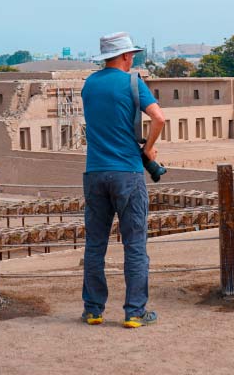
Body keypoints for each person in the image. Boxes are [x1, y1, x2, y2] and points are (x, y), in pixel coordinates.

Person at [81, 32, 165, 328]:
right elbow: (159, 118)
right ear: (127, 56)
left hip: (94, 172)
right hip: (127, 172)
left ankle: (93, 310)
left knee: (95, 245)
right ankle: (134, 312)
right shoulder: (132, 82)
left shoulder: (89, 85)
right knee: (135, 245)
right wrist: (149, 148)